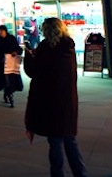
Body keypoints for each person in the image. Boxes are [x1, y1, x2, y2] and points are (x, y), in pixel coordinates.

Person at [24, 17, 87, 177]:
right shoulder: (68, 48)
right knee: (69, 140)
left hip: (50, 102)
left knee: (55, 142)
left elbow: (34, 71)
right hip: (67, 101)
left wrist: (28, 55)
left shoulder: (45, 48)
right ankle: (80, 173)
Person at [0, 24, 23, 107]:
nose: (0, 33)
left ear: (5, 31)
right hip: (1, 62)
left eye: (1, 31)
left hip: (11, 63)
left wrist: (16, 52)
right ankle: (7, 93)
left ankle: (9, 95)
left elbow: (18, 48)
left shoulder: (11, 38)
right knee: (5, 80)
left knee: (10, 80)